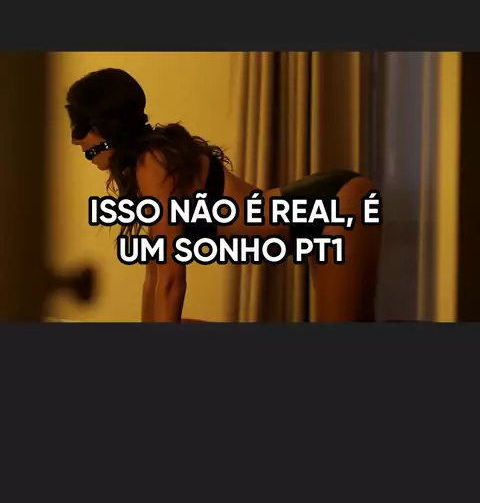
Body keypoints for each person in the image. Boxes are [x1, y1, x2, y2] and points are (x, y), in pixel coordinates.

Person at [66, 68, 381, 323]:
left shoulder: (153, 162)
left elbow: (173, 278)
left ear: (105, 125)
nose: (74, 140)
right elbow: (155, 275)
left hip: (336, 204)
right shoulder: (143, 169)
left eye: (79, 128)